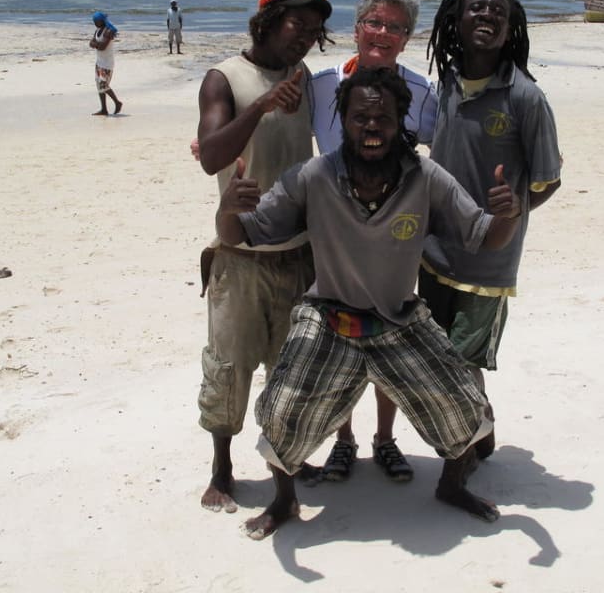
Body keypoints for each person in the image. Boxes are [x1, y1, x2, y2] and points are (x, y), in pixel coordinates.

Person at [216, 67, 523, 539]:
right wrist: (226, 211)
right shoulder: (313, 176)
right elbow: (241, 236)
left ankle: (451, 485)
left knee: (466, 404)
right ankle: (284, 500)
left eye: (384, 117)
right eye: (360, 117)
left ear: (402, 119)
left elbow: (486, 237)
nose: (373, 127)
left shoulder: (426, 177)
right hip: (328, 316)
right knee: (279, 410)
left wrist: (509, 215)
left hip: (399, 319)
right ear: (343, 119)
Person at [195, 0, 333, 515]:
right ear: (268, 20)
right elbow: (210, 155)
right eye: (298, 24)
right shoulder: (223, 78)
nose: (304, 38)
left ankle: (285, 458)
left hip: (298, 252)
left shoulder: (306, 79)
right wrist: (263, 107)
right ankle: (222, 469)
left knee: (290, 368)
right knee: (229, 367)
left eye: (315, 31)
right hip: (240, 257)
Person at [419, 0, 562, 462]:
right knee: (435, 357)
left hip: (489, 263)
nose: (487, 17)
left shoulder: (526, 98)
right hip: (432, 250)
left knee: (461, 362)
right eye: (477, 10)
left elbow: (548, 181)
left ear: (510, 28)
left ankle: (465, 453)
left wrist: (505, 220)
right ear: (456, 22)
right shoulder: (446, 84)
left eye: (497, 13)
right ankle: (477, 431)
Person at [306, 0, 437, 484]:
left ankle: (385, 439)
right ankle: (343, 440)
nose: (383, 33)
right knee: (337, 342)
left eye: (396, 27)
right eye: (375, 23)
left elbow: (441, 151)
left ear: (407, 38)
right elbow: (285, 132)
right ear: (358, 28)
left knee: (391, 338)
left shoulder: (422, 94)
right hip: (332, 235)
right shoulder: (320, 85)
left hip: (396, 240)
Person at [89, 11, 122, 115]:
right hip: (99, 62)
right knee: (99, 86)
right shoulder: (97, 31)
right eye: (93, 21)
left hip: (107, 63)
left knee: (103, 85)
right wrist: (96, 44)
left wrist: (96, 44)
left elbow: (103, 47)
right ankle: (104, 109)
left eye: (96, 21)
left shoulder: (109, 31)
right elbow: (91, 43)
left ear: (101, 20)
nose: (94, 23)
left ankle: (117, 103)